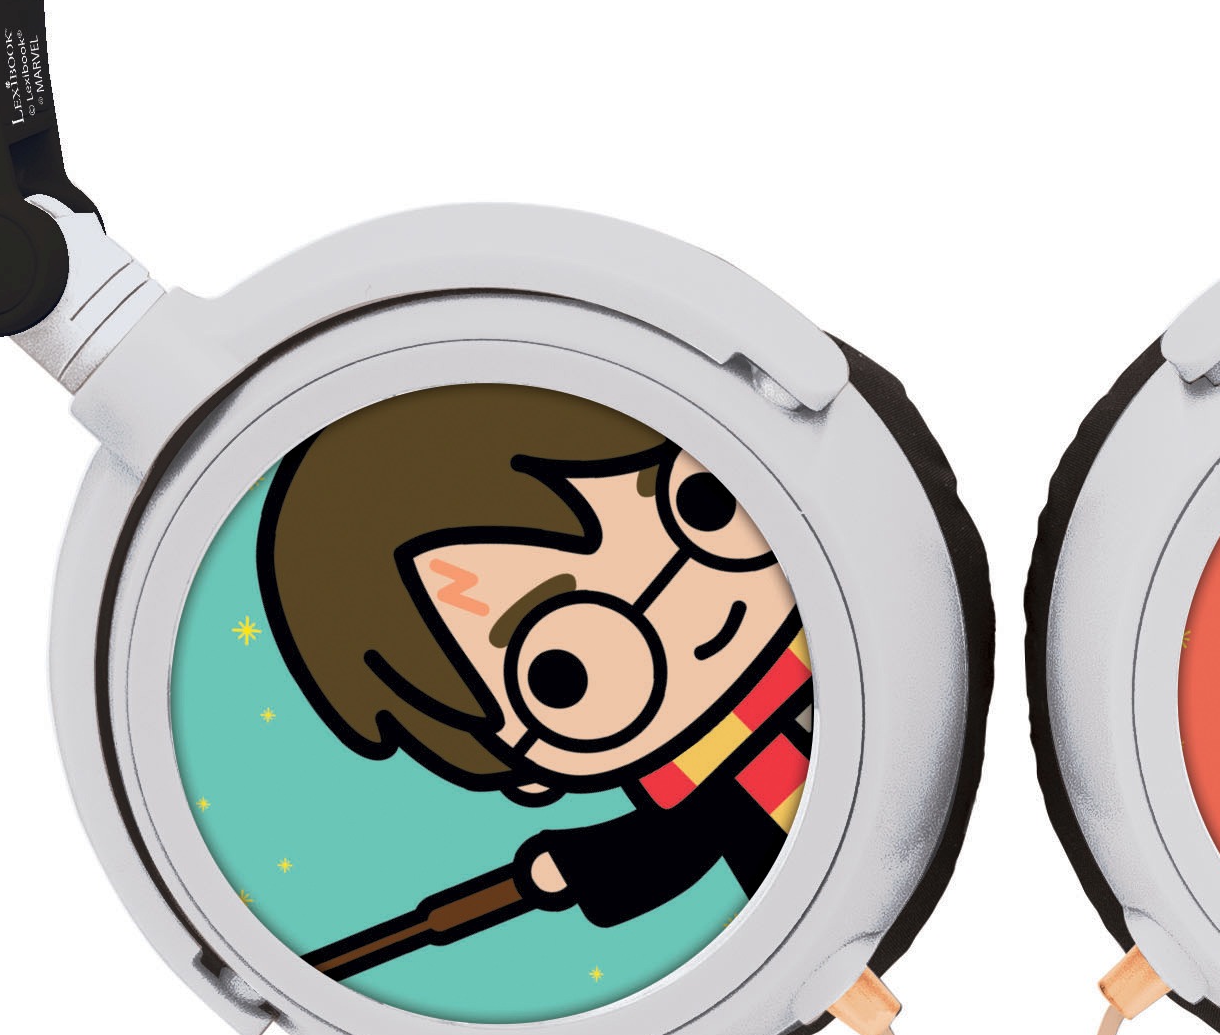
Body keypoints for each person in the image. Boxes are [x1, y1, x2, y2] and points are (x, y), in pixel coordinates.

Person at [259, 383, 812, 933]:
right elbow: (677, 847)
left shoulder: (830, 637)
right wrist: (575, 865)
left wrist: (571, 866)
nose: (675, 599)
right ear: (526, 775)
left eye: (699, 503)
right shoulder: (689, 782)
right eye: (562, 673)